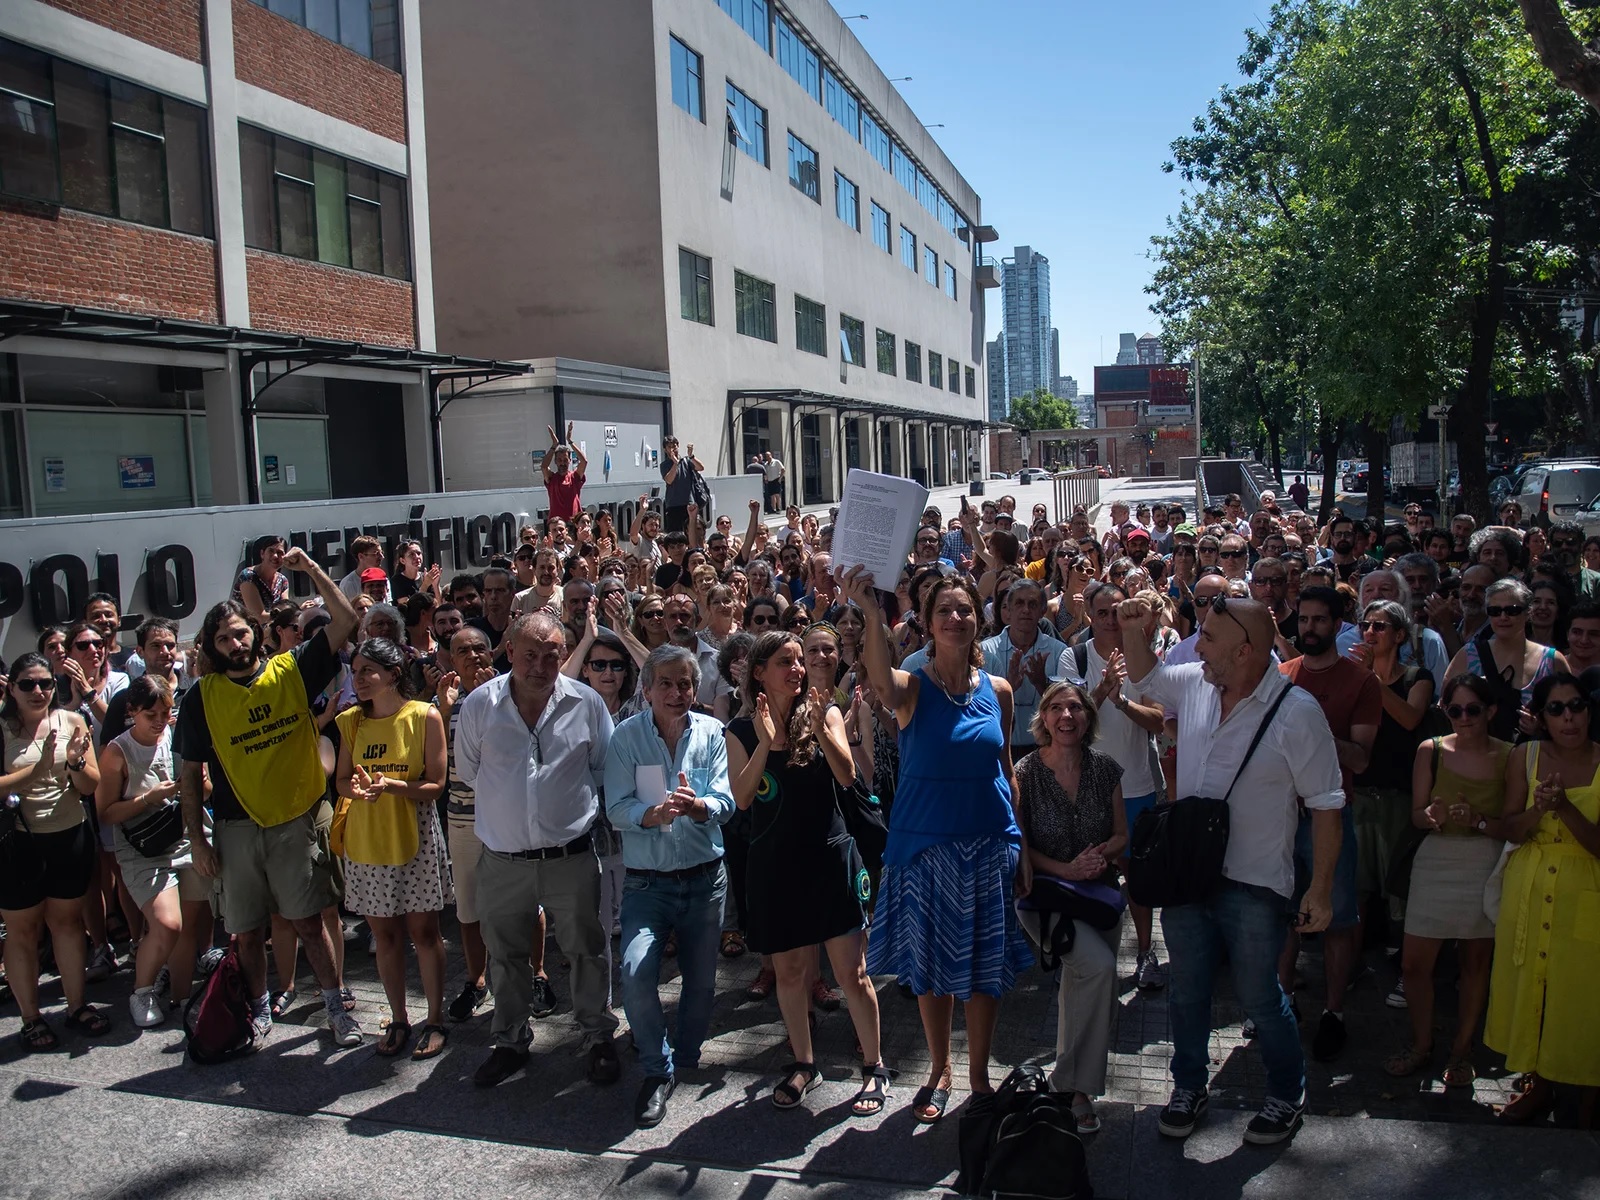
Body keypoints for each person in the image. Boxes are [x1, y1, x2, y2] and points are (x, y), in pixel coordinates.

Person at [1116, 593, 1344, 1146]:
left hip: (1257, 882)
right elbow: (1145, 676)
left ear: (1244, 650)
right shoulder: (1195, 679)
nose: (1198, 646)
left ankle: (1286, 1096)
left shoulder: (1297, 712)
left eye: (1210, 638)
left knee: (1261, 995)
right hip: (1187, 877)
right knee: (1186, 992)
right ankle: (1189, 1087)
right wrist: (1131, 629)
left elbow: (1328, 805)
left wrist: (1320, 889)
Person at [837, 566, 1031, 1125]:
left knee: (984, 972)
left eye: (964, 609)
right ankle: (939, 1070)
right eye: (943, 610)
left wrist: (1021, 846)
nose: (954, 618)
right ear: (924, 622)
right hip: (925, 852)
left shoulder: (999, 690)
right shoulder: (911, 688)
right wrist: (872, 615)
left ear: (978, 618)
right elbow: (878, 674)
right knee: (932, 973)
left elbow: (1008, 772)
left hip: (991, 847)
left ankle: (978, 1077)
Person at [178, 547, 363, 1047]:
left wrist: (310, 571)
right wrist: (197, 839)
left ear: (254, 632)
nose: (235, 642)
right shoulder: (202, 696)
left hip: (294, 822)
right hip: (236, 828)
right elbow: (189, 774)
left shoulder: (290, 670)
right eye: (223, 638)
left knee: (307, 921)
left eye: (240, 632)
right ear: (212, 647)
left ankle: (335, 1005)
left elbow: (346, 618)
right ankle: (258, 1011)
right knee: (245, 932)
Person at [453, 612, 621, 1088]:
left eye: (552, 655)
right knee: (504, 957)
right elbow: (468, 772)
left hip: (570, 857)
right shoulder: (479, 706)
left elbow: (603, 767)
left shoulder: (586, 703)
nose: (541, 665)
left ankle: (597, 1036)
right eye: (530, 654)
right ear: (510, 652)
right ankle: (509, 1042)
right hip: (503, 861)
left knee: (588, 950)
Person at [726, 631, 888, 1115]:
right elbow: (742, 797)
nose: (797, 669)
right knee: (792, 973)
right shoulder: (739, 728)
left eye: (800, 660)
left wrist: (818, 728)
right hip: (776, 865)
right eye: (785, 661)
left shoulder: (828, 711)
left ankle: (874, 1067)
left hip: (830, 860)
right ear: (759, 671)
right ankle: (804, 1062)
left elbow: (847, 776)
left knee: (850, 973)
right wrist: (765, 741)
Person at [604, 645, 736, 1126]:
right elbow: (616, 808)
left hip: (704, 880)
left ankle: (683, 1059)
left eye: (686, 683)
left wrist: (698, 807)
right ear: (646, 689)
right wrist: (650, 815)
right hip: (646, 884)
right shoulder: (625, 738)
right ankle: (656, 1071)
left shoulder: (712, 733)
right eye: (667, 683)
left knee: (701, 985)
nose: (678, 693)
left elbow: (726, 798)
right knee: (636, 971)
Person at [1485, 671, 1600, 1122]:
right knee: (1535, 983)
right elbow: (1508, 827)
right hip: (1530, 884)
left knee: (1584, 991)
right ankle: (1540, 1084)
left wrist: (1565, 808)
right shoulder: (1524, 757)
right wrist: (1539, 808)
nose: (1568, 718)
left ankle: (1591, 1091)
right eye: (1556, 709)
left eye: (1576, 707)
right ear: (1543, 716)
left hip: (1585, 887)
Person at [1013, 681, 1128, 1133]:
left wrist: (1099, 856)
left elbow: (1123, 834)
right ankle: (1076, 1090)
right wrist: (1066, 868)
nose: (1066, 716)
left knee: (1080, 988)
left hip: (1098, 896)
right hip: (1045, 898)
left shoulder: (1105, 769)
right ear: (1043, 718)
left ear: (1088, 718)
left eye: (1075, 708)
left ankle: (1067, 1079)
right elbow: (1021, 845)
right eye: (1057, 708)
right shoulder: (1025, 772)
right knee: (1098, 969)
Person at [1384, 674, 1507, 1087]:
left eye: (1473, 709)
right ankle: (1421, 1045)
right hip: (1435, 861)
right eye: (1455, 710)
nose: (1464, 718)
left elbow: (1513, 825)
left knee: (1475, 964)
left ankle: (1461, 1050)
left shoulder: (1511, 757)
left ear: (1491, 711)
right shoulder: (1430, 750)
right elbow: (1418, 814)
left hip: (1483, 862)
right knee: (1414, 964)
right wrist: (1432, 817)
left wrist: (1479, 820)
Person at [334, 638, 451, 1060]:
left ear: (393, 674)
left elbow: (435, 786)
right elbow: (342, 780)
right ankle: (399, 1017)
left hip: (413, 839)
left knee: (424, 933)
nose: (359, 679)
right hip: (367, 843)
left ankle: (435, 1018)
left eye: (368, 671)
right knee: (384, 935)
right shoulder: (351, 721)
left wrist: (393, 786)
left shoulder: (424, 716)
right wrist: (359, 790)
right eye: (355, 670)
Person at [1278, 586, 1379, 1062]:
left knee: (1337, 920)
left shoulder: (1361, 682)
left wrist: (1315, 729)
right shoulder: (1281, 676)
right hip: (1281, 816)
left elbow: (1359, 759)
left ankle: (1334, 1012)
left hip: (1332, 816)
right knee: (1283, 916)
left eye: (1320, 620)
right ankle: (1283, 1004)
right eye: (1304, 620)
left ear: (1339, 624)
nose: (1310, 628)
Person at [1060, 582, 1168, 989]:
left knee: (1138, 876)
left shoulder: (1145, 660)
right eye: (1101, 612)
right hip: (1086, 785)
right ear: (1089, 614)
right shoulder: (1076, 655)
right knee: (1085, 870)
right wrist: (1102, 691)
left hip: (1138, 784)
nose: (1109, 620)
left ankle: (1145, 953)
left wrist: (1123, 701)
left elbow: (1158, 721)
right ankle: (1082, 956)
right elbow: (1069, 719)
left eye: (1117, 611)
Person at [0, 653, 108, 1048]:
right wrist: (38, 766)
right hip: (18, 843)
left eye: (45, 683)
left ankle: (77, 1005)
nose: (38, 691)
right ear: (11, 688)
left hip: (68, 835)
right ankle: (31, 1017)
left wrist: (76, 762)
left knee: (66, 923)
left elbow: (90, 786)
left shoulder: (72, 722)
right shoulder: (3, 727)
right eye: (27, 684)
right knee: (23, 930)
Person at [94, 674, 211, 1027]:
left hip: (185, 836)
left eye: (165, 712)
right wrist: (149, 798)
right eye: (151, 715)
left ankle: (179, 998)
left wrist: (194, 783)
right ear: (132, 711)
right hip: (142, 848)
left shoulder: (178, 737)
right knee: (166, 924)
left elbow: (205, 789)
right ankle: (141, 990)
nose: (160, 722)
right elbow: (106, 812)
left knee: (187, 928)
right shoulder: (117, 751)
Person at [1346, 600, 1435, 993]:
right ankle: (1351, 966)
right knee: (1358, 889)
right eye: (1365, 625)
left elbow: (1410, 717)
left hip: (1400, 796)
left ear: (1400, 635)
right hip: (1360, 794)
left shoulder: (1418, 676)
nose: (1370, 633)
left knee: (1402, 892)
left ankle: (1407, 973)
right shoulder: (1354, 676)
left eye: (1379, 626)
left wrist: (1372, 681)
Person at [435, 625, 500, 1024]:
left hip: (509, 815)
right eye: (463, 651)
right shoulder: (442, 702)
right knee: (469, 908)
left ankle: (537, 976)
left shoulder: (512, 691)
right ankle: (476, 981)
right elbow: (435, 760)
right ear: (451, 659)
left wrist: (497, 701)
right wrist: (443, 711)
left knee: (525, 904)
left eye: (480, 648)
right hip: (462, 818)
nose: (473, 656)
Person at [1445, 578, 1567, 743]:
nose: (1503, 617)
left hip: (1534, 758)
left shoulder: (1553, 660)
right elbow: (1445, 707)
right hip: (1480, 757)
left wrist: (1542, 726)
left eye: (1512, 610)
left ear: (1528, 612)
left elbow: (1571, 714)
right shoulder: (1468, 655)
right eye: (1495, 611)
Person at [233, 535, 290, 622]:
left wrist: (300, 610)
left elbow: (286, 608)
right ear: (262, 554)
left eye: (280, 553)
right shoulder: (248, 577)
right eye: (271, 551)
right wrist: (286, 615)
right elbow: (258, 617)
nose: (275, 556)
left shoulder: (283, 581)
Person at [543, 421, 589, 521]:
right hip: (557, 525)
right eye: (559, 460)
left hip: (574, 523)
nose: (562, 463)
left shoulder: (575, 477)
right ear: (555, 461)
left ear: (570, 461)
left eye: (565, 460)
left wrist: (570, 441)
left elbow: (584, 462)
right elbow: (544, 467)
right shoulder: (551, 479)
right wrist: (554, 445)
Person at [660, 437, 705, 534]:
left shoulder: (686, 461)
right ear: (665, 449)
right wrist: (675, 463)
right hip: (673, 505)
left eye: (674, 446)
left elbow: (700, 467)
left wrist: (691, 456)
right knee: (676, 534)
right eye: (669, 447)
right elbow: (669, 480)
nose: (673, 449)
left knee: (692, 532)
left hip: (690, 503)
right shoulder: (664, 465)